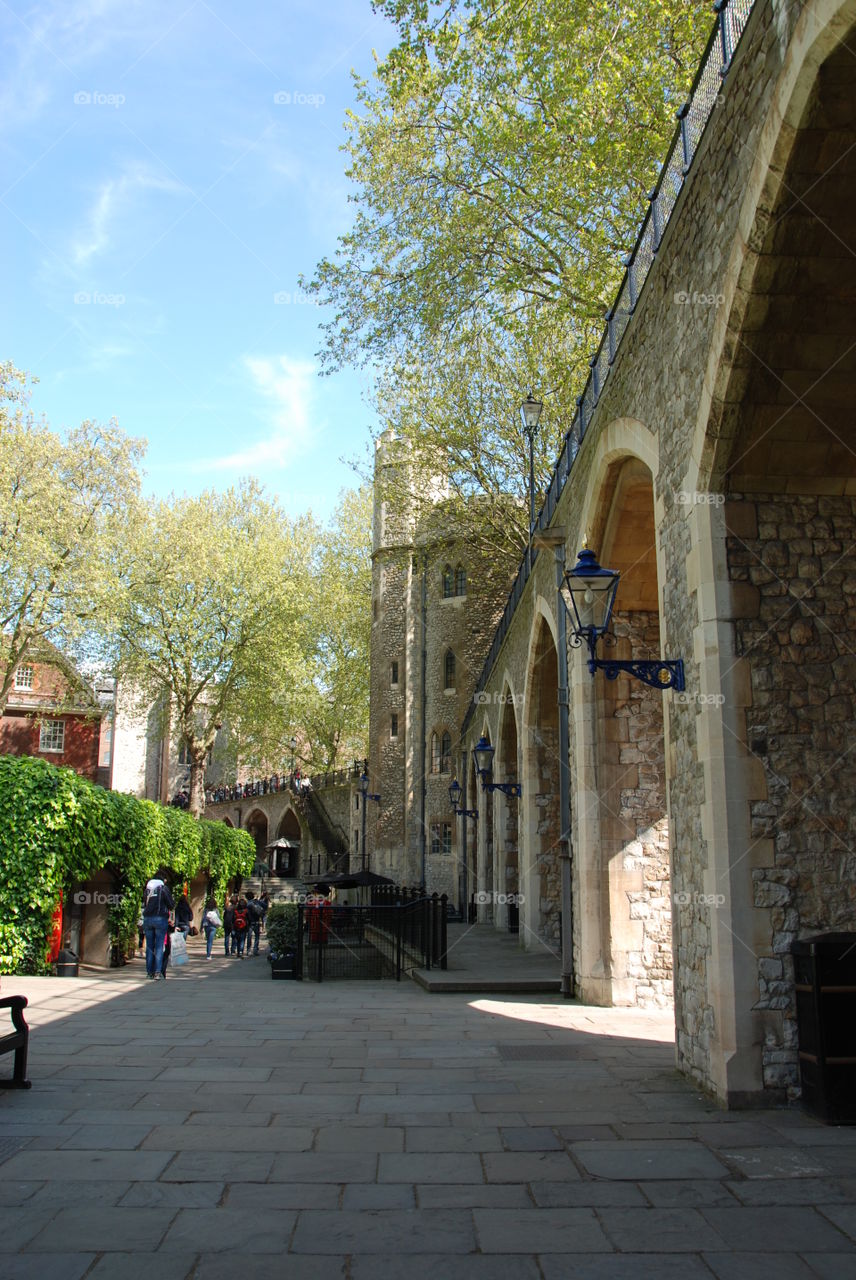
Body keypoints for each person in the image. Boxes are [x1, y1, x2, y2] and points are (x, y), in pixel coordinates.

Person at [142, 876, 174, 980]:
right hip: (160, 918)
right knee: (159, 946)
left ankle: (149, 972)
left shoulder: (148, 889)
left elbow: (144, 903)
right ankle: (157, 972)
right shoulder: (163, 889)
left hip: (147, 919)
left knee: (149, 946)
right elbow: (171, 904)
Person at [245, 892, 264, 956]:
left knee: (249, 936)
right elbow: (265, 906)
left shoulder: (247, 904)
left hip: (250, 922)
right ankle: (255, 949)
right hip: (257, 920)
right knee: (257, 936)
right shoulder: (257, 902)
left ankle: (248, 950)